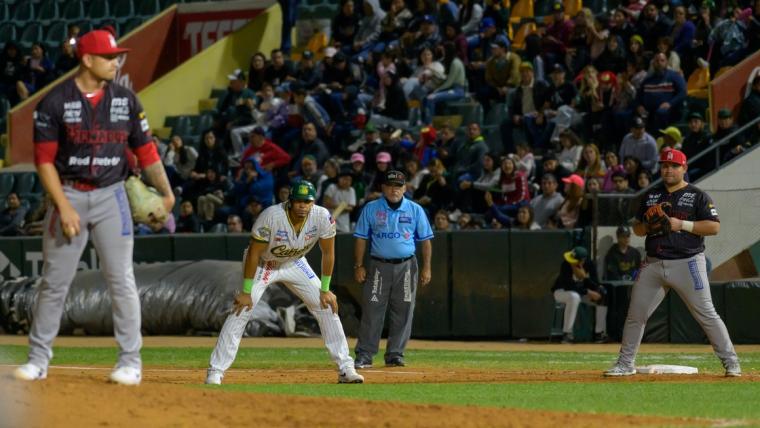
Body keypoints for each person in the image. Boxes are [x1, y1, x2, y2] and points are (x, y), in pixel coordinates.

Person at [15, 30, 175, 385]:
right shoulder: (55, 102)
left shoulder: (126, 100)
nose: (116, 62)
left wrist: (166, 194)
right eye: (109, 56)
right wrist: (63, 207)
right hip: (68, 194)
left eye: (117, 56)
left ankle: (130, 363)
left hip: (112, 195)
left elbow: (146, 151)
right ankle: (38, 360)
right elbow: (44, 162)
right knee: (54, 284)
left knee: (122, 280)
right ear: (87, 60)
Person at [206, 180, 364, 384]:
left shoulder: (322, 216)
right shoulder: (271, 216)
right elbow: (254, 254)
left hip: (294, 262)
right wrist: (246, 291)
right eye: (298, 201)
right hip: (264, 263)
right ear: (289, 201)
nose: (302, 206)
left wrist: (325, 289)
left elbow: (328, 253)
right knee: (242, 309)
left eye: (307, 202)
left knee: (326, 305)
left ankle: (345, 368)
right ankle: (216, 371)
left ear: (313, 202)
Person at [604, 149, 741, 377]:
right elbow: (637, 229)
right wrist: (649, 226)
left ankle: (731, 362)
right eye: (665, 165)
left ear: (684, 168)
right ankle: (625, 364)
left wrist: (682, 225)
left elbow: (714, 227)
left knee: (706, 314)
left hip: (687, 263)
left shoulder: (697, 195)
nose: (669, 169)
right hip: (654, 263)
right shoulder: (651, 195)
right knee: (636, 314)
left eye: (674, 165)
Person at [353, 170, 433, 368]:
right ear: (383, 188)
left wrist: (426, 268)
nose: (394, 189)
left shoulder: (415, 209)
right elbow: (361, 238)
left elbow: (426, 241)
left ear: (405, 188)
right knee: (372, 310)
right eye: (390, 186)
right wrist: (359, 265)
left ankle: (395, 354)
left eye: (398, 186)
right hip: (379, 265)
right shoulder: (371, 208)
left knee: (404, 310)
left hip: (407, 265)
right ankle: (365, 354)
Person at [551, 246, 608, 343]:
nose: (571, 261)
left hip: (580, 292)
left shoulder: (589, 265)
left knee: (602, 296)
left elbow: (595, 283)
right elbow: (569, 286)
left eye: (574, 260)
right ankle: (567, 333)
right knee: (574, 297)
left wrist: (595, 289)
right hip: (561, 292)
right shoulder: (565, 265)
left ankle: (599, 333)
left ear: (582, 261)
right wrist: (587, 292)